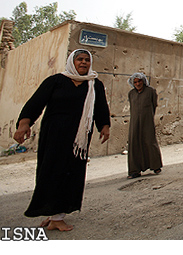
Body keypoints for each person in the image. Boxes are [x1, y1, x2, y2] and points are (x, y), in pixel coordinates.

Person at [13, 49, 110, 232]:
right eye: (79, 59)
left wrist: (104, 126)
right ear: (71, 62)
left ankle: (56, 215)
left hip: (77, 141)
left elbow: (101, 108)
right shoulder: (55, 81)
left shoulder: (94, 84)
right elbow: (35, 103)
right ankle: (55, 216)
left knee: (71, 174)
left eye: (87, 60)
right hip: (54, 136)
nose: (83, 63)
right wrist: (24, 123)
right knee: (50, 171)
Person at [126, 72, 162, 179]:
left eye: (139, 81)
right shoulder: (131, 93)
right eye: (135, 82)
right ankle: (134, 170)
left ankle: (155, 165)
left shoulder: (150, 91)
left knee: (150, 141)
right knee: (134, 144)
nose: (137, 84)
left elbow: (154, 105)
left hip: (147, 121)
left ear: (143, 81)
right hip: (135, 122)